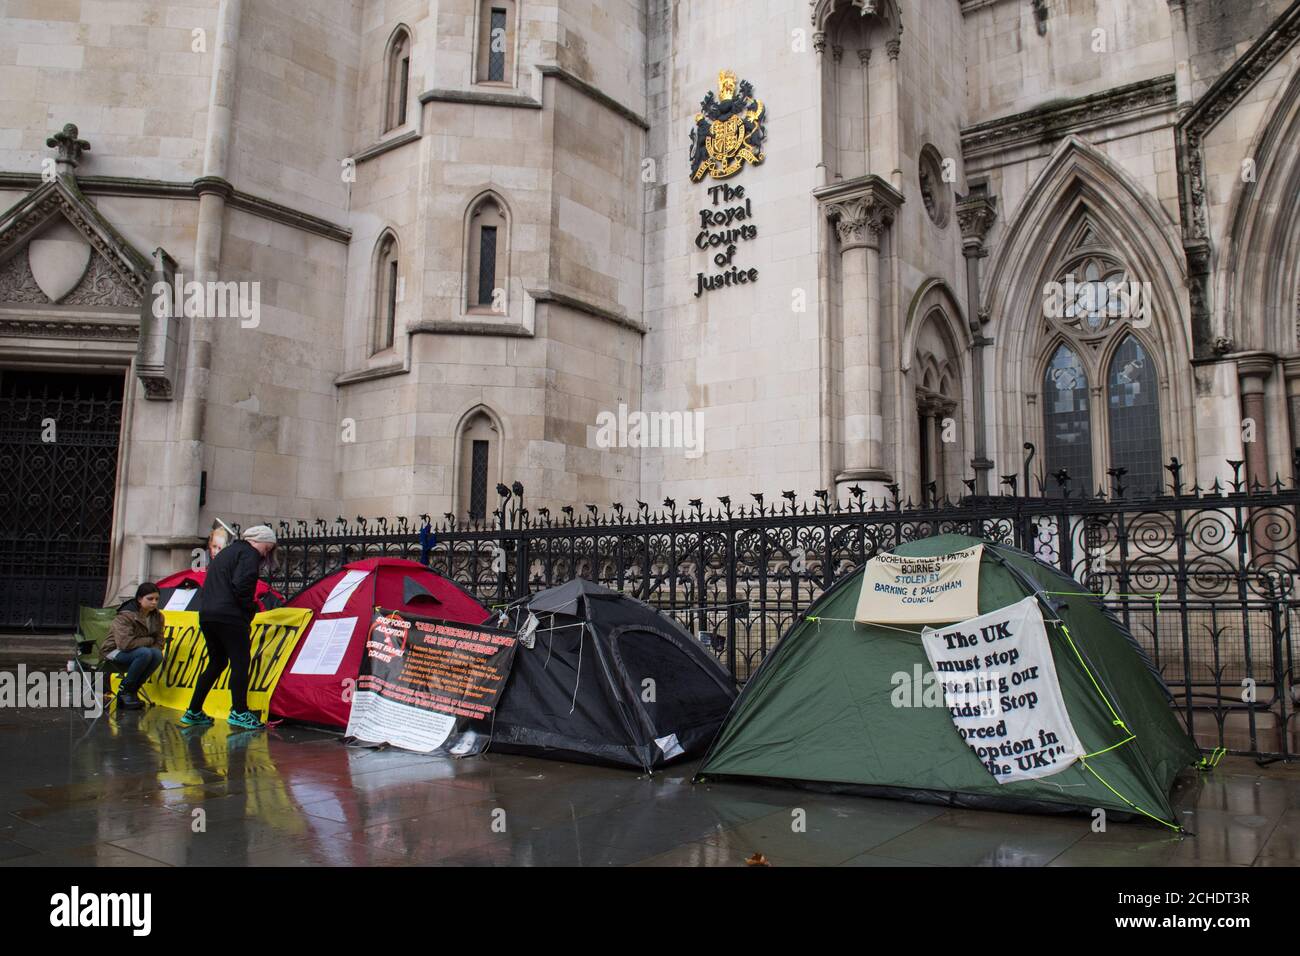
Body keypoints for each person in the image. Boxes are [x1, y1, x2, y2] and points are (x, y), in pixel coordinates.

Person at [181, 524, 277, 730]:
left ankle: (194, 710)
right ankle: (239, 711)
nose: (265, 554)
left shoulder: (226, 553)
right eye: (267, 549)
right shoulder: (249, 554)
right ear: (259, 541)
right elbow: (242, 585)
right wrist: (249, 608)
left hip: (208, 614)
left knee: (216, 663)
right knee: (240, 662)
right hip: (230, 616)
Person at [102, 582, 165, 710]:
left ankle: (132, 691)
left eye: (157, 599)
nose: (154, 602)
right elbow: (125, 644)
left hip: (138, 653)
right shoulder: (125, 615)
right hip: (113, 651)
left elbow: (159, 640)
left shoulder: (158, 616)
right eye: (150, 599)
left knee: (157, 655)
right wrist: (149, 641)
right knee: (145, 653)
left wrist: (154, 648)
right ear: (140, 599)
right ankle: (124, 691)